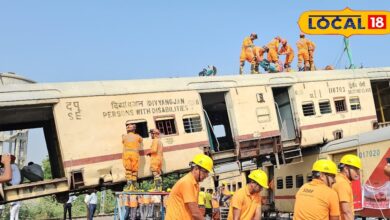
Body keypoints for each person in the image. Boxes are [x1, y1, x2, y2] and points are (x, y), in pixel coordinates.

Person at [165, 153, 214, 220]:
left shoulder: (194, 183)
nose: (206, 175)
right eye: (205, 172)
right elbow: (195, 213)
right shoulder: (187, 182)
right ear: (196, 168)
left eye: (207, 173)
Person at [332, 154, 362, 220]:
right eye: (355, 169)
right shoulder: (342, 183)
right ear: (345, 169)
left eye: (358, 169)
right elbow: (346, 212)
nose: (358, 172)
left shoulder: (337, 179)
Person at [122, 121, 143, 191]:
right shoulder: (137, 136)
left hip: (127, 155)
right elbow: (141, 140)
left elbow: (123, 141)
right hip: (135, 155)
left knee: (128, 170)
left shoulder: (124, 137)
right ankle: (134, 187)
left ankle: (129, 187)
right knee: (134, 170)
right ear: (134, 129)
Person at [9, 155, 21, 220]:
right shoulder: (15, 166)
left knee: (12, 214)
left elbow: (3, 171)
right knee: (16, 217)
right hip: (16, 184)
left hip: (14, 185)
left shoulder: (12, 166)